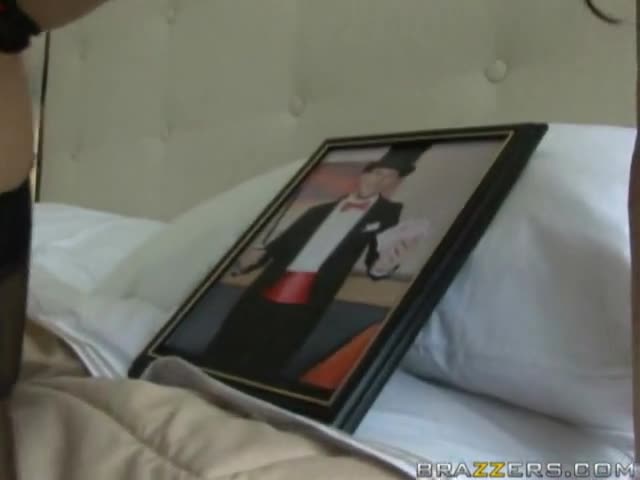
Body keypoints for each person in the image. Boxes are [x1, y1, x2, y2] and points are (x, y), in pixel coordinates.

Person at [202, 145, 429, 380]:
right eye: (377, 173)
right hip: (269, 286)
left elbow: (378, 259)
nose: (380, 181)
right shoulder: (317, 211)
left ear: (395, 182)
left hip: (310, 297)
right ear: (365, 174)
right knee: (228, 344)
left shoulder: (387, 213)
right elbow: (276, 248)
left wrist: (384, 265)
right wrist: (243, 261)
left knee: (270, 358)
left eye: (389, 177)